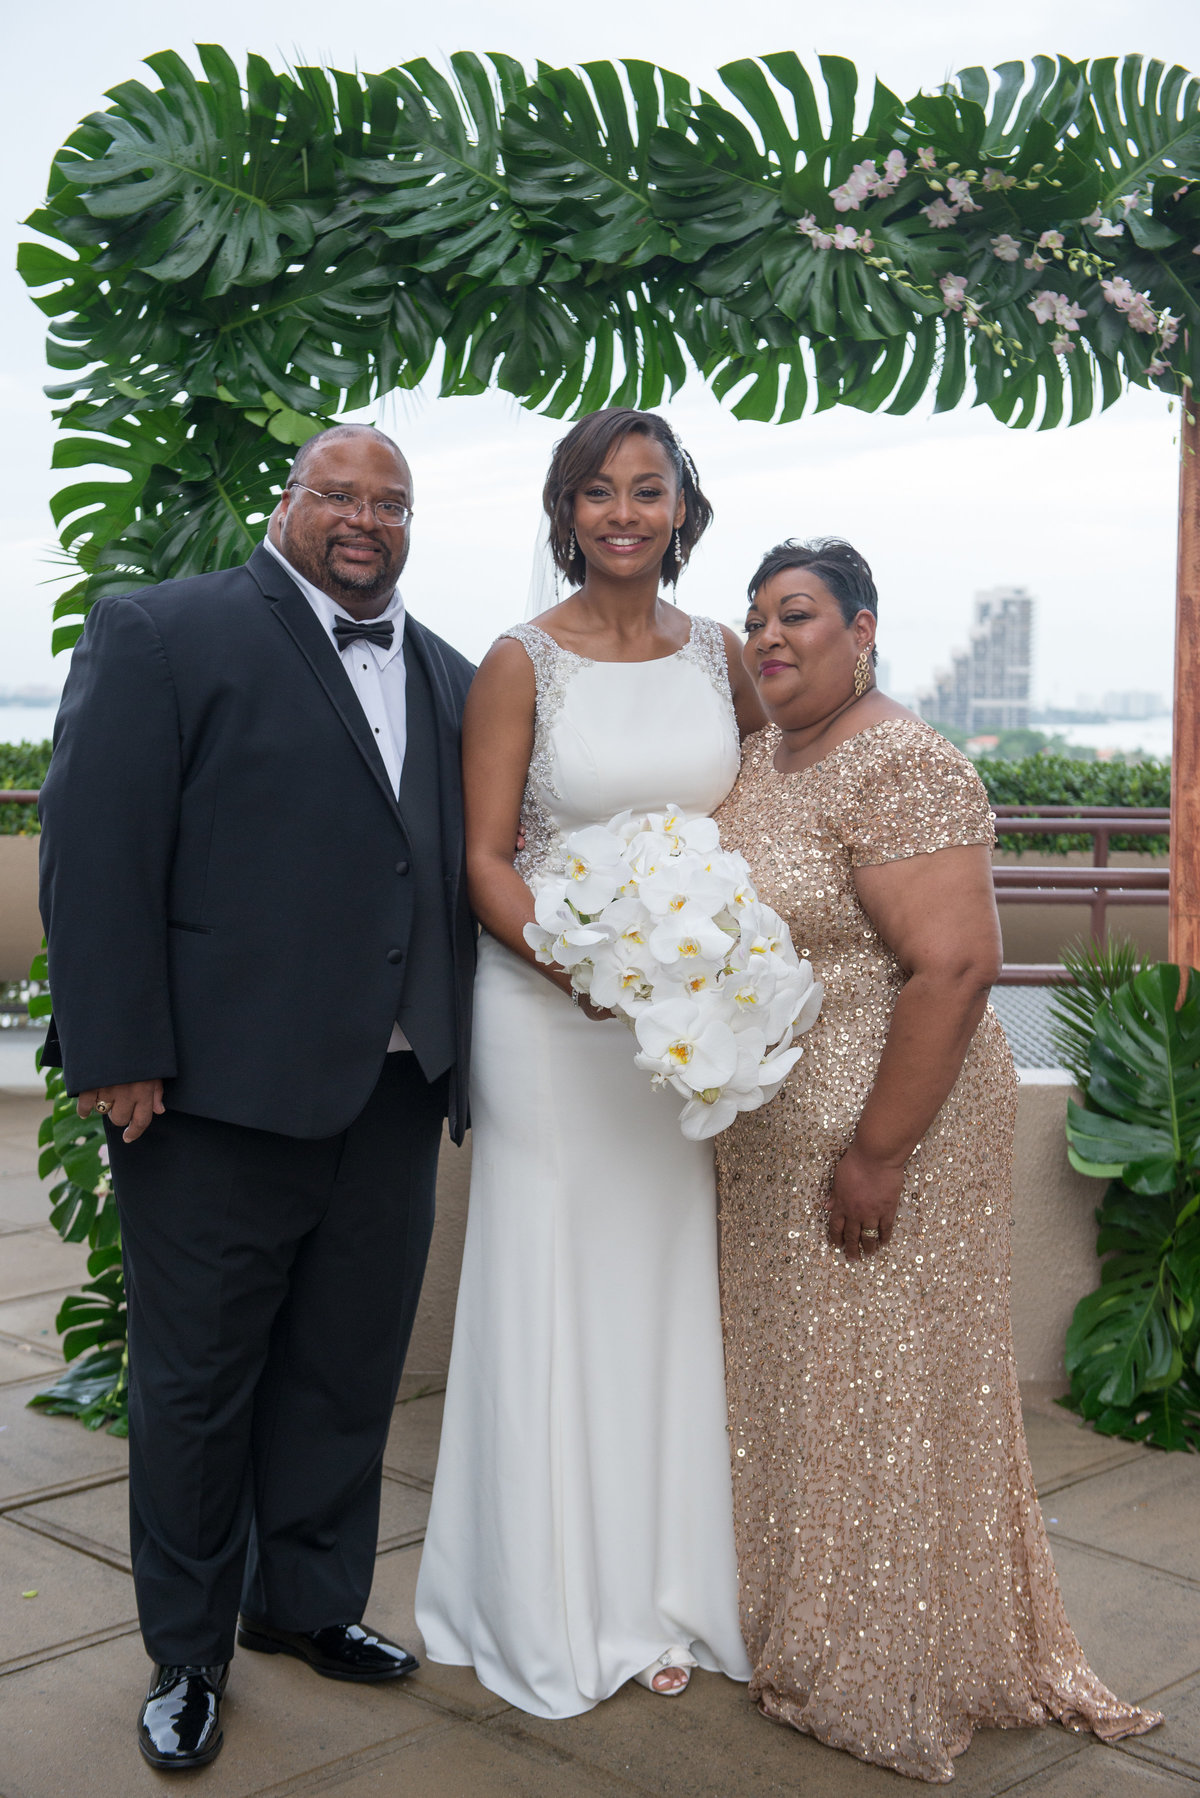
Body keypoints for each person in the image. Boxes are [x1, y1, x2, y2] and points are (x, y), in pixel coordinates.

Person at [38, 424, 475, 1772]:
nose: (363, 520)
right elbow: (95, 840)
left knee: (345, 1374)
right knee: (199, 1386)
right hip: (211, 1096)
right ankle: (186, 1651)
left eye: (390, 502)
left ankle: (309, 1605)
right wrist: (115, 1042)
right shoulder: (163, 631)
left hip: (395, 1093)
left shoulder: (457, 674)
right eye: (337, 494)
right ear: (286, 504)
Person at [711, 537, 1162, 1781]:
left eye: (797, 613)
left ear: (863, 628)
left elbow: (957, 966)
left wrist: (877, 1151)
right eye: (756, 619)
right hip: (767, 1134)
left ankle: (887, 1660)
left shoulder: (906, 761)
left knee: (887, 1395)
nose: (770, 637)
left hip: (882, 1129)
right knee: (809, 1394)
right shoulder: (764, 755)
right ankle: (802, 1621)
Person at [415, 407, 762, 1716]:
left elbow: (756, 813)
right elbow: (485, 857)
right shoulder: (520, 662)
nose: (625, 512)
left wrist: (720, 966)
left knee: (662, 1289)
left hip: (679, 1032)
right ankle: (546, 1598)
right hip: (552, 1016)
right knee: (552, 1286)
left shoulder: (722, 655)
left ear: (683, 509)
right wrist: (590, 971)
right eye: (599, 492)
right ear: (566, 514)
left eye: (649, 490)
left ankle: (665, 1588)